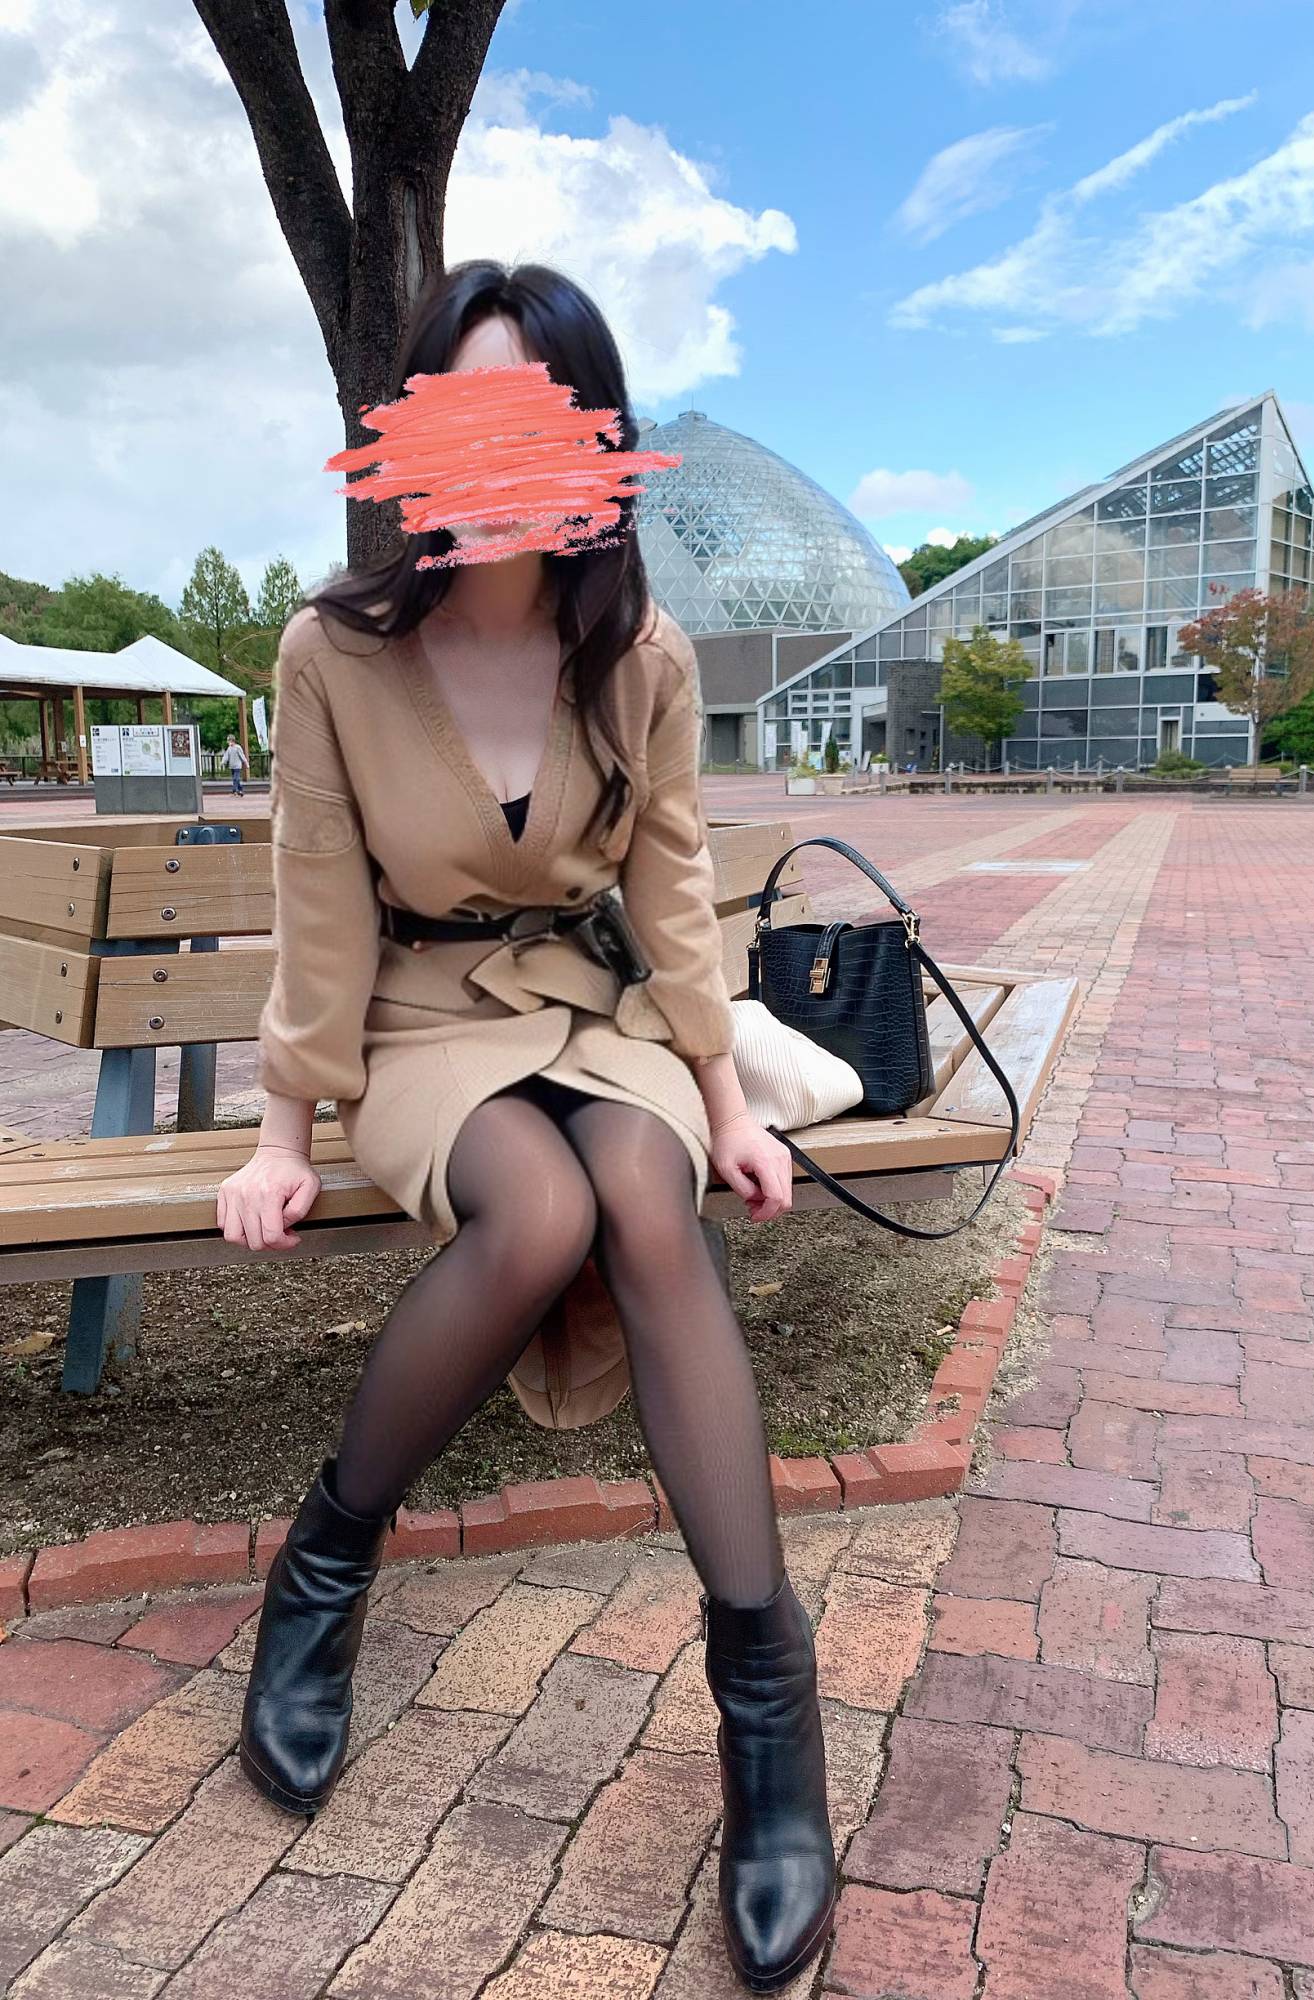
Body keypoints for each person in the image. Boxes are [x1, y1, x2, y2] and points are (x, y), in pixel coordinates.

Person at [214, 260, 835, 1993]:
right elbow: (317, 903)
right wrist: (281, 1131)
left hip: (594, 1007)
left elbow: (676, 892)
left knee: (642, 1197)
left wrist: (724, 1100)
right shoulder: (334, 652)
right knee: (542, 1213)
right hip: (421, 1022)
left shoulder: (638, 652)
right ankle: (327, 1564)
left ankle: (766, 1706)